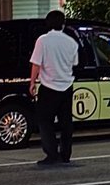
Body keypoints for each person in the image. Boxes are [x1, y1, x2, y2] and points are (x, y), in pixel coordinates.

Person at [29, 9, 79, 166]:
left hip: (49, 87)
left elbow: (36, 63)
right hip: (67, 86)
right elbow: (74, 63)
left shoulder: (43, 41)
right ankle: (66, 154)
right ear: (63, 24)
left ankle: (52, 153)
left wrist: (32, 83)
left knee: (45, 121)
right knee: (66, 122)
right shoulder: (71, 42)